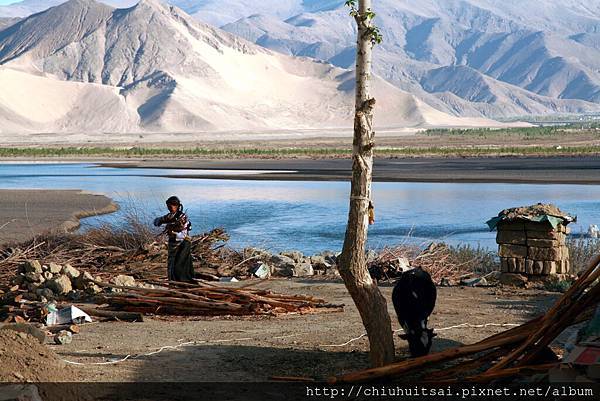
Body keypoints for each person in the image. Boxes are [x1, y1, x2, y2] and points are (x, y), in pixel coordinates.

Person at [153, 196, 195, 282]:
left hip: (183, 244)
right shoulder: (170, 216)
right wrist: (160, 220)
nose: (170, 208)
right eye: (168, 207)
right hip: (172, 244)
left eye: (171, 206)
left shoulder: (182, 218)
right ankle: (172, 281)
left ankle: (182, 282)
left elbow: (183, 235)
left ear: (177, 206)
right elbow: (156, 222)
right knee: (171, 263)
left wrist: (173, 232)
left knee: (180, 264)